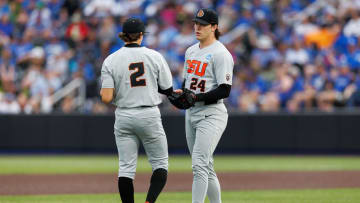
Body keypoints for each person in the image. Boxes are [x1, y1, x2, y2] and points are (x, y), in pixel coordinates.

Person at [100, 17, 173, 203]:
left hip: (124, 114)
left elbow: (106, 97)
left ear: (123, 36)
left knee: (126, 169)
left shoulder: (111, 60)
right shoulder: (155, 56)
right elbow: (167, 87)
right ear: (141, 35)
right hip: (149, 113)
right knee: (160, 165)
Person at [178, 8, 234, 203]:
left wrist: (196, 97)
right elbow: (187, 83)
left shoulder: (221, 53)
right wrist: (181, 95)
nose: (197, 27)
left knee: (199, 165)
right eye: (196, 23)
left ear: (214, 27)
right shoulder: (190, 51)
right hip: (192, 113)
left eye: (202, 25)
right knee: (206, 165)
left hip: (212, 114)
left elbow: (224, 90)